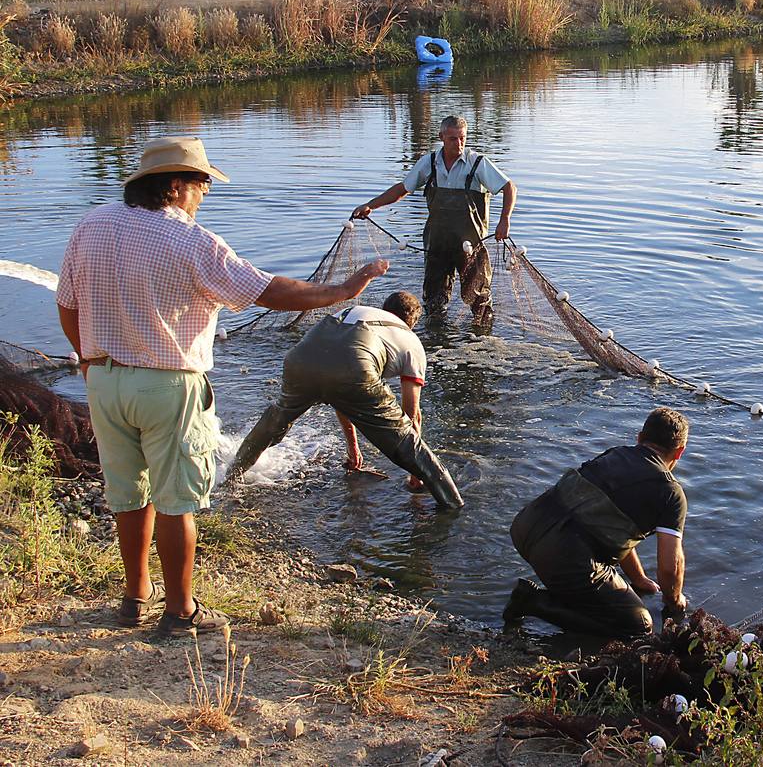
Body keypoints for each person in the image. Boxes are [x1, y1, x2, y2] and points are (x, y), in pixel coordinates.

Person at [56, 136, 389, 639]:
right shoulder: (192, 241)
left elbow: (68, 303)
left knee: (127, 495)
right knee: (176, 502)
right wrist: (341, 291)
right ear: (174, 186)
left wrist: (87, 359)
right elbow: (266, 290)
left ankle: (133, 598)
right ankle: (181, 611)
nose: (204, 196)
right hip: (168, 386)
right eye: (201, 186)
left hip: (103, 381)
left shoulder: (91, 226)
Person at [229, 291, 463, 508]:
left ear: (384, 308)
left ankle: (230, 477)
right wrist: (414, 471)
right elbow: (411, 415)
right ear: (412, 322)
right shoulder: (410, 341)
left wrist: (353, 450)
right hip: (355, 365)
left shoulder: (357, 311)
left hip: (300, 359)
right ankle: (452, 505)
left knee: (275, 422)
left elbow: (341, 395)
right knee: (407, 443)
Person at [504, 407, 690, 637]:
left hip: (524, 527)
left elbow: (614, 530)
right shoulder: (671, 492)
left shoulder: (615, 454)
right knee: (639, 626)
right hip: (562, 555)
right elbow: (670, 568)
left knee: (582, 561)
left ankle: (566, 591)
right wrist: (674, 601)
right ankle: (534, 603)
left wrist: (638, 578)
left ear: (640, 438)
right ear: (679, 452)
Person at [350, 115, 517, 321]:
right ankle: (437, 341)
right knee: (434, 302)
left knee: (479, 301)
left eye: (462, 138)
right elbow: (402, 189)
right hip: (437, 244)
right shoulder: (429, 163)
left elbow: (509, 187)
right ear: (441, 137)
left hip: (471, 246)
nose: (458, 143)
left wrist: (505, 219)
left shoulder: (478, 163)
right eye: (453, 138)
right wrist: (370, 205)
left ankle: (480, 338)